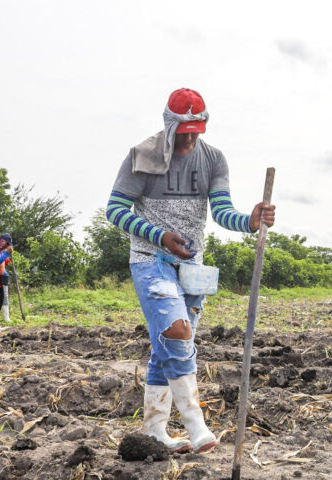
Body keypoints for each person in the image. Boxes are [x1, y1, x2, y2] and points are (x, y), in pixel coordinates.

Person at [106, 88, 275, 454]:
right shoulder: (142, 157)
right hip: (150, 258)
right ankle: (196, 425)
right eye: (185, 132)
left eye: (197, 130)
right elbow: (115, 210)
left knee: (167, 348)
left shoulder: (213, 159)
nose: (191, 138)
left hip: (191, 267)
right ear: (170, 125)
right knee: (178, 334)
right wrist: (159, 236)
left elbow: (222, 211)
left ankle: (154, 431)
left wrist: (249, 220)